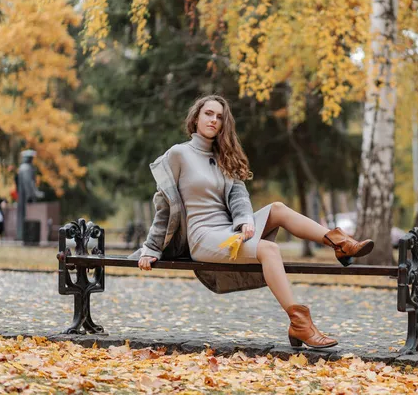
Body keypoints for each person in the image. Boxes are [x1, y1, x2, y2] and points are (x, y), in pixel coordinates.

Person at [136, 95, 374, 349]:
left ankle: (340, 243)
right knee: (269, 249)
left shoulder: (225, 156)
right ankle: (300, 323)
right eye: (208, 114)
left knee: (278, 209)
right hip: (204, 237)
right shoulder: (178, 154)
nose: (213, 120)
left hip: (229, 230)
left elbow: (239, 196)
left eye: (219, 117)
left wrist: (245, 221)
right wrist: (151, 248)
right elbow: (164, 204)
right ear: (195, 117)